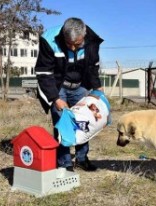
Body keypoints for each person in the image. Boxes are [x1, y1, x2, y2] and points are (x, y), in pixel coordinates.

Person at [35, 17, 104, 172]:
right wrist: (55, 98)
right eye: (69, 44)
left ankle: (81, 158)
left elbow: (93, 67)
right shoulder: (49, 39)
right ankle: (64, 162)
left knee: (84, 122)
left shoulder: (92, 41)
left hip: (80, 86)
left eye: (77, 44)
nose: (73, 48)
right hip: (59, 87)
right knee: (63, 124)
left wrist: (97, 88)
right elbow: (44, 73)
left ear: (84, 35)